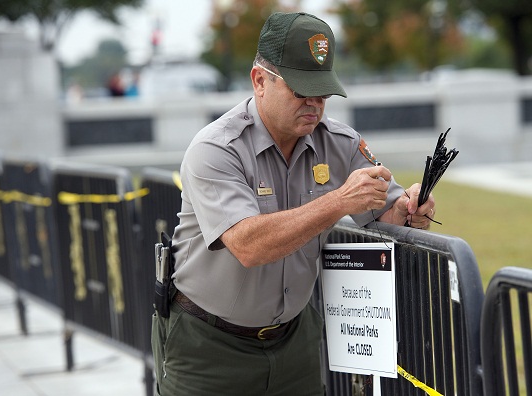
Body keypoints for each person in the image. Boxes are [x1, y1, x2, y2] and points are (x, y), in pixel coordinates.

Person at [151, 11, 436, 396]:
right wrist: (337, 201)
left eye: (322, 92)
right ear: (259, 81)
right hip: (208, 345)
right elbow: (249, 245)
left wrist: (409, 208)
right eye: (301, 91)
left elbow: (383, 210)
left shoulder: (339, 142)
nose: (314, 104)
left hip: (294, 342)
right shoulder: (216, 148)